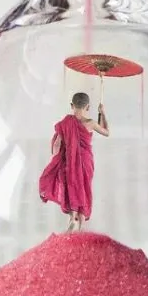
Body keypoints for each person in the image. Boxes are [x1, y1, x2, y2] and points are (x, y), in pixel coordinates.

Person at [39, 92, 110, 233]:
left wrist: (56, 156)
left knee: (71, 186)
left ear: (72, 105)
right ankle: (81, 225)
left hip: (69, 162)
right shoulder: (90, 123)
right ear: (88, 107)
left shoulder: (65, 123)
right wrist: (102, 113)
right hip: (86, 162)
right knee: (84, 188)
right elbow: (106, 132)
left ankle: (73, 218)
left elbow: (57, 146)